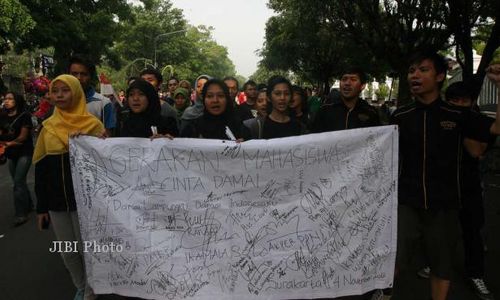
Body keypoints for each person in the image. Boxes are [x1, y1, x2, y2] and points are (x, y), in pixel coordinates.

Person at [390, 51, 500, 300]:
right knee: (393, 259)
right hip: (406, 203)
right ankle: (383, 293)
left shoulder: (458, 115)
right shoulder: (399, 116)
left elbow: (496, 128)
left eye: (423, 70)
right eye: (411, 71)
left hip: (445, 205)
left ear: (440, 76)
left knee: (441, 265)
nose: (414, 75)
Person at [416, 80, 495, 300]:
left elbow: (476, 151)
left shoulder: (474, 121)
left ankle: (476, 274)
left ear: (471, 103)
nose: (459, 105)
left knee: (472, 232)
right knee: (439, 232)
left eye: (464, 101)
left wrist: (463, 128)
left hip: (469, 187)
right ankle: (436, 265)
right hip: (442, 187)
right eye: (454, 100)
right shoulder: (438, 117)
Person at [33, 74, 105, 300]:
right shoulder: (48, 127)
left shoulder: (93, 125)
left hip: (85, 202)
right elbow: (41, 170)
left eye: (65, 90)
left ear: (76, 93)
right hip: (56, 202)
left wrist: (88, 143)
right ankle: (81, 284)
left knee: (88, 249)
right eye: (56, 91)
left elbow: (107, 163)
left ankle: (92, 289)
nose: (60, 95)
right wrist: (41, 208)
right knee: (67, 251)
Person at [0, 92, 34, 226]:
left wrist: (8, 143)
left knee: (18, 182)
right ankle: (29, 204)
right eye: (5, 99)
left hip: (24, 152)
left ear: (17, 101)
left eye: (10, 99)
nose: (6, 101)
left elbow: (22, 138)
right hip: (10, 154)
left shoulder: (24, 116)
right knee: (18, 181)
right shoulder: (2, 116)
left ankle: (21, 214)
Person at [312, 67, 380, 133]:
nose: (347, 83)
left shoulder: (371, 113)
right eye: (344, 79)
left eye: (353, 79)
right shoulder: (325, 111)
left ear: (362, 86)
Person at [68, 54, 116, 136]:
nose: (78, 78)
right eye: (74, 74)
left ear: (90, 76)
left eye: (83, 74)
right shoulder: (61, 101)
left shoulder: (104, 103)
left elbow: (108, 136)